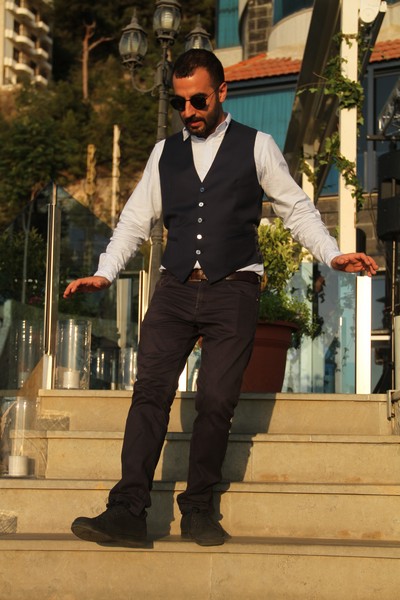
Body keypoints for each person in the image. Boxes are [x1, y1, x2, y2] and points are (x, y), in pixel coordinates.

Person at [64, 49, 378, 548]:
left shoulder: (258, 146)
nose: (188, 111)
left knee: (215, 398)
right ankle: (127, 511)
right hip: (173, 289)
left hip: (233, 288)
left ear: (222, 92)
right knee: (149, 394)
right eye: (179, 102)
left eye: (198, 100)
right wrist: (105, 273)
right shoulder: (163, 154)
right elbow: (134, 222)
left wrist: (332, 254)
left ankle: (198, 508)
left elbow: (296, 209)